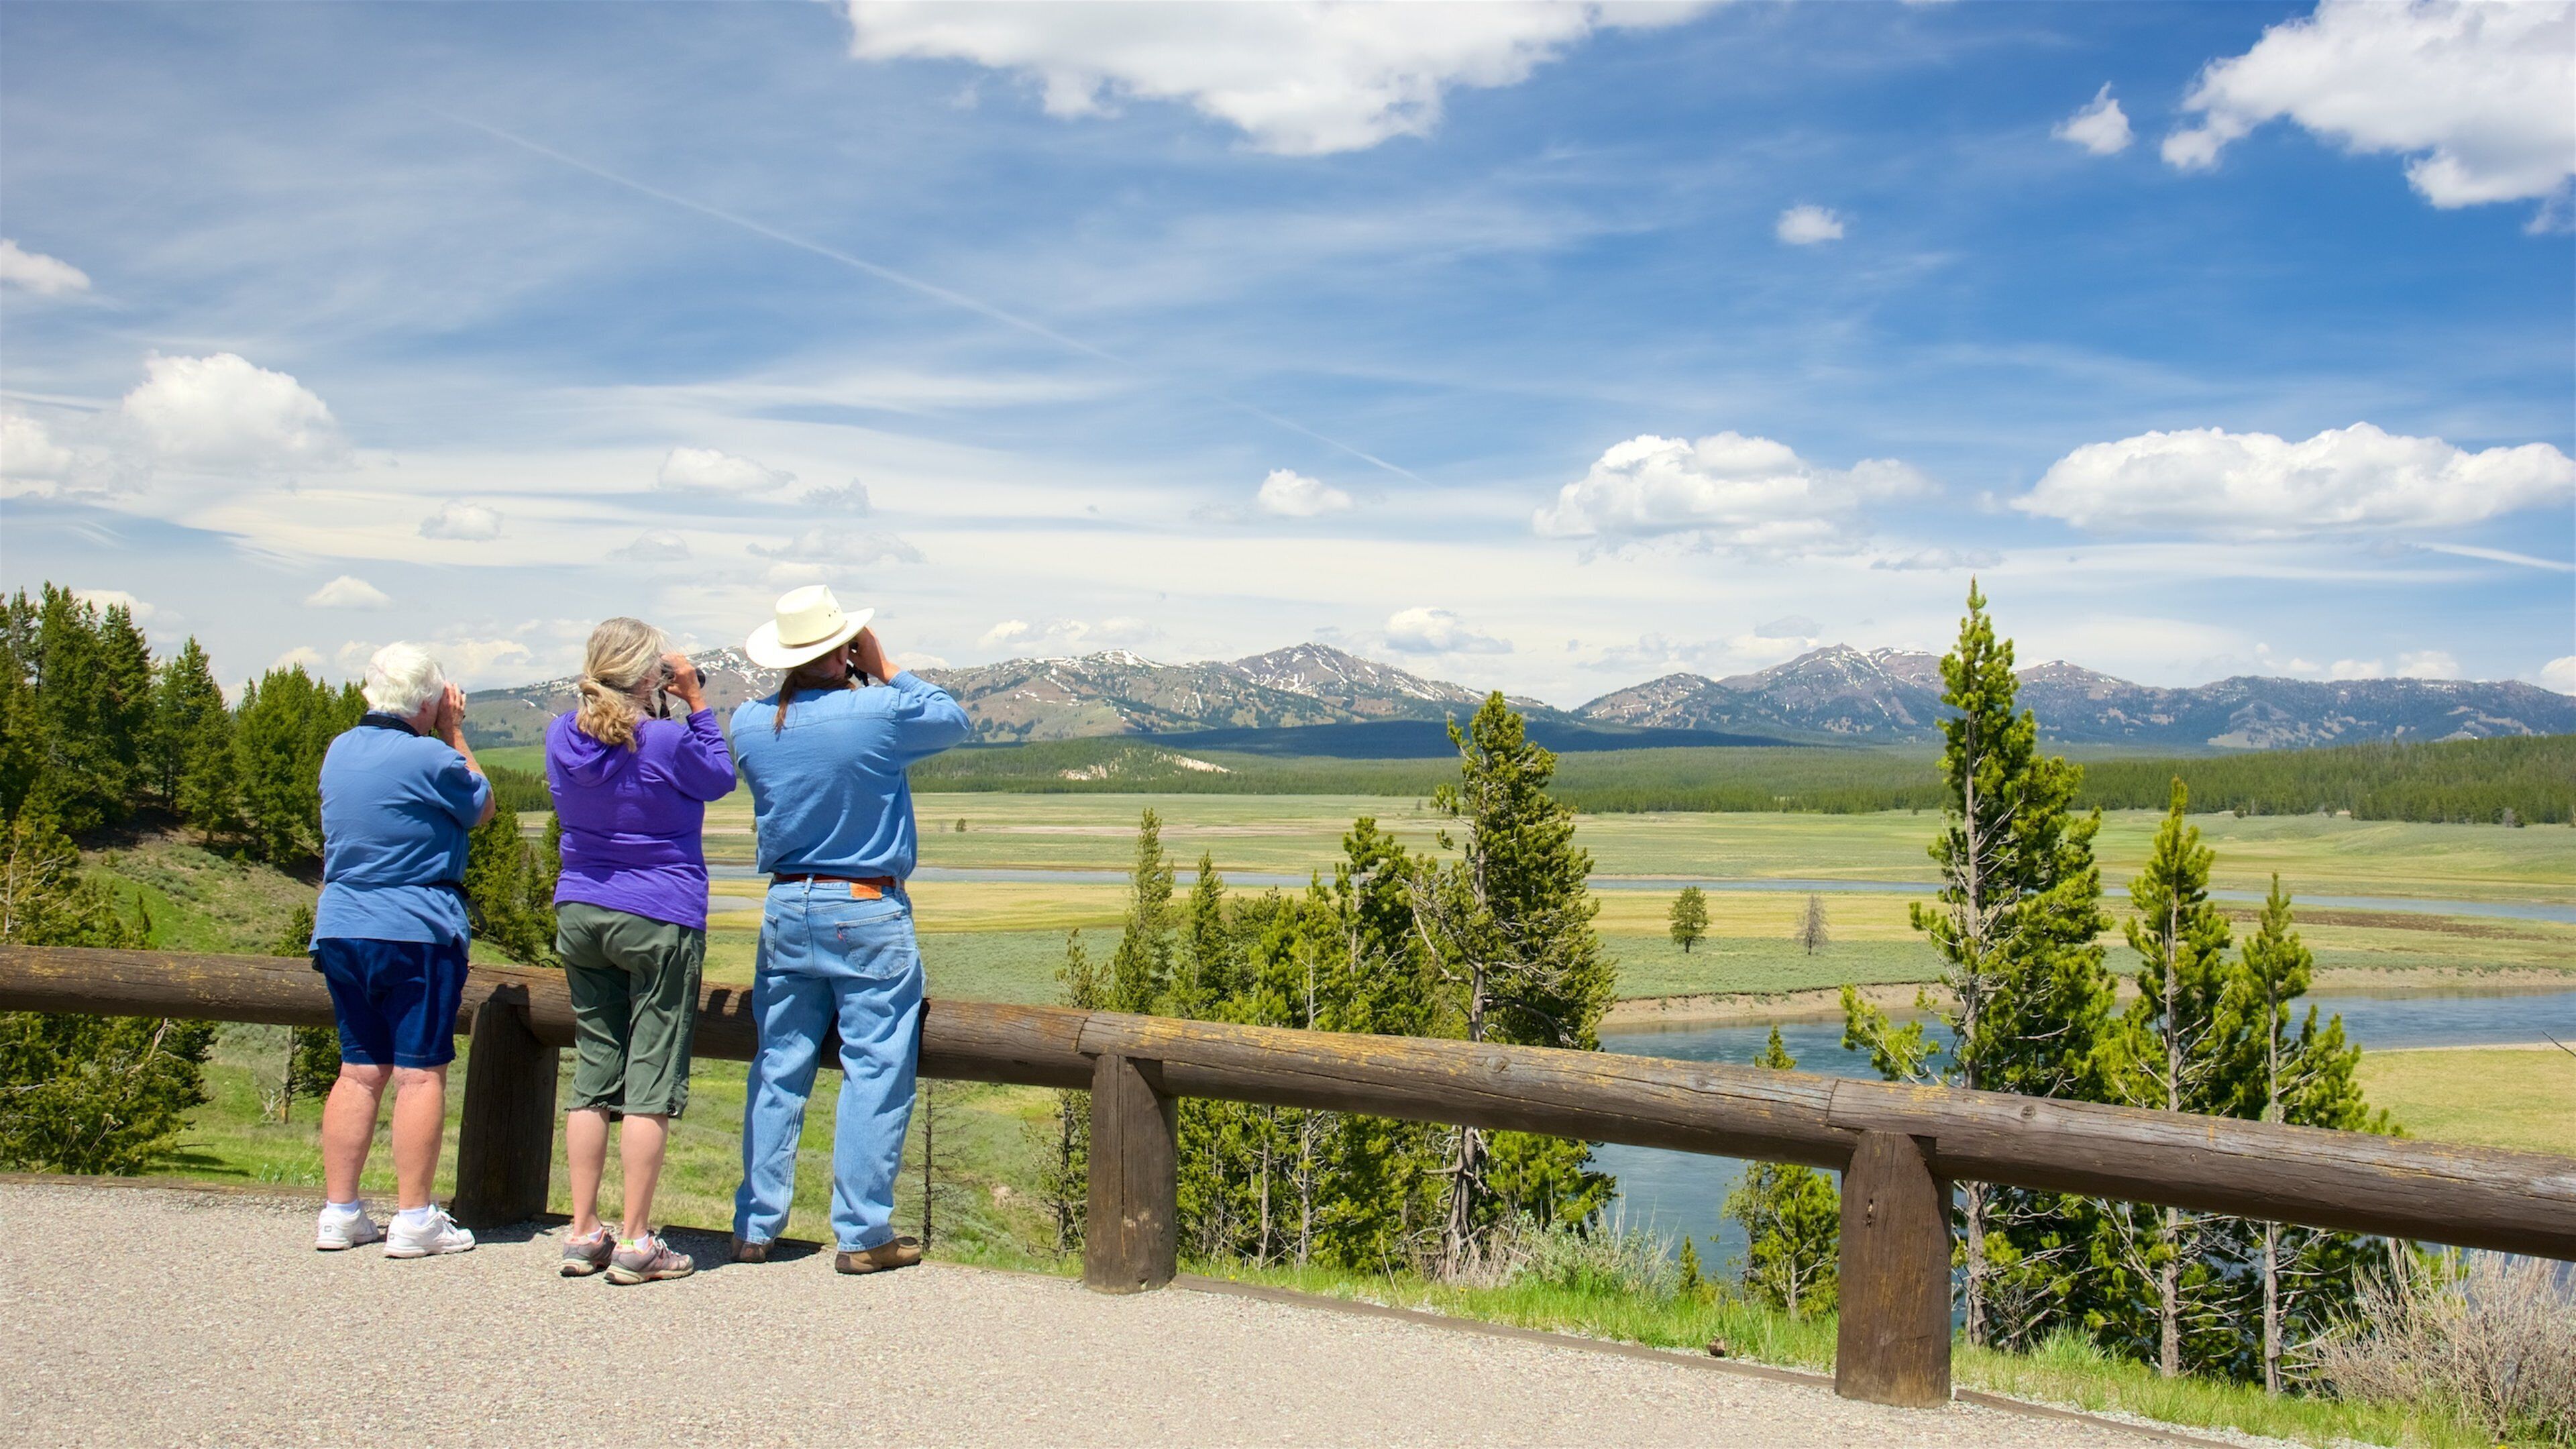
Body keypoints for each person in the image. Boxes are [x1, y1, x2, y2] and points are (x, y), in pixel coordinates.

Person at [728, 584, 969, 1273]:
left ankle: (755, 1226)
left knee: (779, 1066)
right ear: (845, 648)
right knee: (875, 1069)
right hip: (866, 905)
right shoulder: (879, 710)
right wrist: (885, 666)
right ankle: (863, 1234)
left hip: (787, 904)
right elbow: (952, 720)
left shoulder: (749, 723)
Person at [546, 618, 737, 1285]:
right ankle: (634, 1241)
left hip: (581, 907)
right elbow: (720, 777)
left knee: (594, 1070)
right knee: (650, 1077)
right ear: (650, 677)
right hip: (659, 911)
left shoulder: (559, 735)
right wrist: (697, 702)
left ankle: (582, 1232)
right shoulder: (665, 739)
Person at [309, 643, 495, 1257]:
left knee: (359, 1070)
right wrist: (454, 731)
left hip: (342, 925)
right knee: (419, 1073)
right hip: (416, 928)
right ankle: (415, 1218)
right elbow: (483, 807)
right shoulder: (431, 757)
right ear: (427, 702)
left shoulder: (340, 749)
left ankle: (341, 1213)